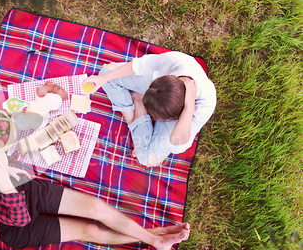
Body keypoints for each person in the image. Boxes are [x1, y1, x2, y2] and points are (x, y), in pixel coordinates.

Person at [0, 129, 190, 250]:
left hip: (22, 190)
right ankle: (156, 237)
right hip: (10, 225)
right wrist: (3, 182)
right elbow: (19, 218)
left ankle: (155, 239)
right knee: (90, 229)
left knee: (95, 207)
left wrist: (6, 168)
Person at [82, 51, 216, 167]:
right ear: (172, 77)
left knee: (147, 158)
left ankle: (138, 102)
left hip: (181, 110)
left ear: (169, 118)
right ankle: (138, 103)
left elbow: (177, 143)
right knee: (107, 73)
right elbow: (138, 66)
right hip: (160, 89)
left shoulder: (205, 104)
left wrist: (189, 106)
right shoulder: (176, 61)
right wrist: (103, 78)